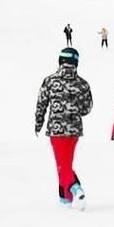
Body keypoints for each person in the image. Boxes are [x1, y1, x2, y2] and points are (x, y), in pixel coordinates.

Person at [35, 47, 93, 209]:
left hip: (56, 129)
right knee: (66, 163)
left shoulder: (50, 81)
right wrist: (74, 110)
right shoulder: (82, 84)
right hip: (74, 130)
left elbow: (41, 104)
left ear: (60, 61)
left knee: (62, 165)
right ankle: (65, 200)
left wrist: (38, 122)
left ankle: (75, 189)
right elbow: (87, 108)